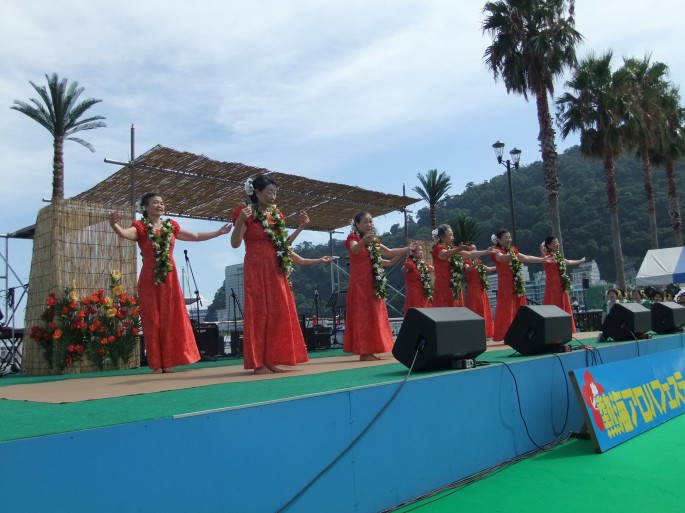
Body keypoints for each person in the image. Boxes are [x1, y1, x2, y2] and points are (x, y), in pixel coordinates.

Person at [109, 193, 232, 373]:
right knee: (152, 319)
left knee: (170, 318)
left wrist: (218, 232)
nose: (160, 205)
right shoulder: (141, 227)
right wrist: (115, 225)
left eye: (162, 203)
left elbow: (195, 235)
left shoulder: (170, 226)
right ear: (145, 207)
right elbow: (126, 234)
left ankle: (167, 362)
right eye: (155, 202)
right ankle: (156, 364)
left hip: (170, 278)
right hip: (149, 278)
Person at [231, 174, 332, 374]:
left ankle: (272, 359)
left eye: (275, 192)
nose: (273, 196)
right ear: (256, 192)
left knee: (277, 312)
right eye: (269, 192)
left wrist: (301, 227)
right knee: (259, 312)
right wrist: (240, 220)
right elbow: (235, 243)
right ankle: (258, 363)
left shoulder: (276, 216)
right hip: (256, 268)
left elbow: (282, 245)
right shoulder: (247, 214)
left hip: (275, 269)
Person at [345, 211, 415, 361]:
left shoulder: (374, 240)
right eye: (365, 222)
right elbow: (354, 249)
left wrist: (407, 249)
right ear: (357, 224)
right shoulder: (353, 238)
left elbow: (389, 252)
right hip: (360, 284)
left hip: (373, 283)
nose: (369, 224)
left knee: (373, 314)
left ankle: (371, 349)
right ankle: (364, 352)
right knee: (363, 315)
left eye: (370, 221)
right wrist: (364, 241)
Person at [490, 229, 553, 342]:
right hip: (505, 286)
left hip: (517, 284)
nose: (509, 239)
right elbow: (501, 258)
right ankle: (507, 335)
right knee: (506, 310)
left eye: (510, 237)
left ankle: (520, 334)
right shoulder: (496, 250)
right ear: (499, 240)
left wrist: (542, 259)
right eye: (506, 237)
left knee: (519, 309)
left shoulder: (513, 249)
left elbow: (526, 258)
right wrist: (509, 255)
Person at [430, 225, 491, 308]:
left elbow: (468, 254)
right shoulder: (438, 248)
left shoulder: (453, 249)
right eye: (450, 235)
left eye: (452, 235)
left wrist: (486, 251)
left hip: (454, 285)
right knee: (445, 310)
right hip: (443, 287)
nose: (453, 237)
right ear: (442, 237)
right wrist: (458, 249)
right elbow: (446, 254)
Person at [539, 236, 585, 333]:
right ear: (548, 245)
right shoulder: (547, 256)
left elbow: (568, 262)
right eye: (554, 242)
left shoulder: (558, 256)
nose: (557, 244)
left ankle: (566, 330)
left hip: (561, 286)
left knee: (564, 306)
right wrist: (542, 253)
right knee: (553, 305)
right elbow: (543, 259)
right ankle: (553, 330)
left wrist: (580, 261)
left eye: (558, 242)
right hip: (552, 287)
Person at [463, 242, 495, 339]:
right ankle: (474, 334)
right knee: (474, 310)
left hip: (481, 290)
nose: (475, 251)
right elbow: (467, 269)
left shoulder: (478, 262)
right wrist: (474, 265)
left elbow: (488, 269)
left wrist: (501, 266)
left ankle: (484, 333)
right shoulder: (466, 261)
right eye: (472, 249)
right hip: (473, 291)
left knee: (483, 309)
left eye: (475, 248)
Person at [402, 243, 434, 315]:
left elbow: (433, 269)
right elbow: (404, 269)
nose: (422, 252)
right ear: (413, 252)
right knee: (416, 314)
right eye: (419, 250)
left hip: (424, 293)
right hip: (414, 295)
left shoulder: (423, 263)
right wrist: (405, 267)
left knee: (426, 314)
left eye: (422, 250)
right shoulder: (409, 262)